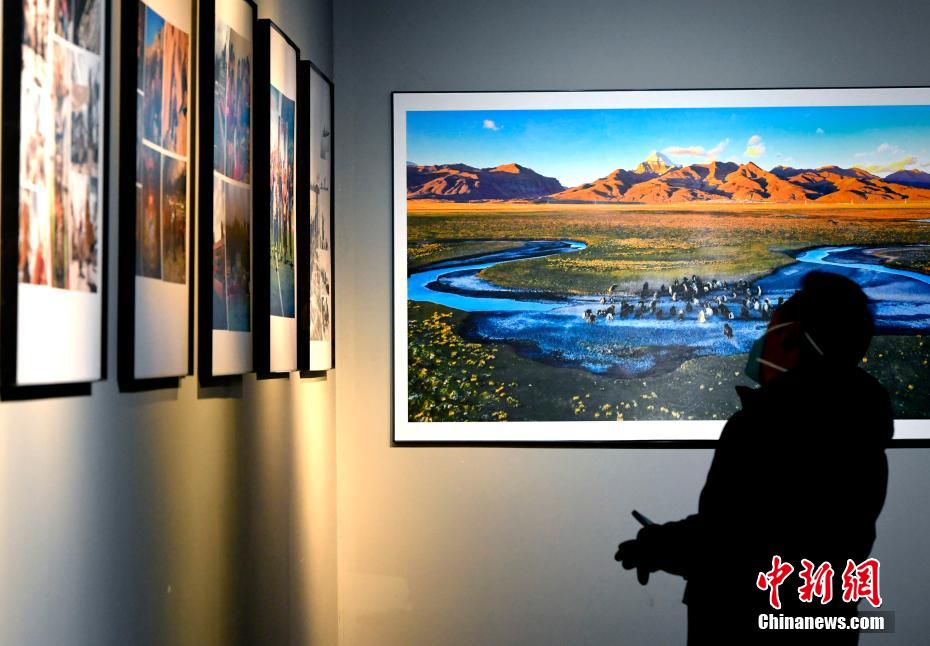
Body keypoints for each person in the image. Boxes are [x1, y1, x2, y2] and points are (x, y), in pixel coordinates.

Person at [615, 271, 893, 644]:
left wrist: (657, 545)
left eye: (773, 330)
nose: (764, 341)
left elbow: (730, 543)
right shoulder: (863, 428)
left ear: (795, 339)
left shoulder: (764, 427)